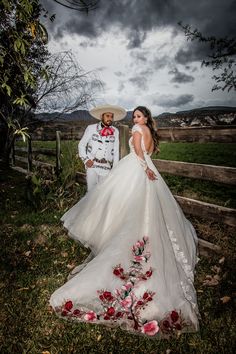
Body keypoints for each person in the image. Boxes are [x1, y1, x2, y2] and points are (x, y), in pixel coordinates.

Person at [50, 106, 199, 338]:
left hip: (137, 168)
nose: (135, 120)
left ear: (146, 118)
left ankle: (115, 236)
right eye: (134, 117)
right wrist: (149, 170)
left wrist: (143, 170)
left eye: (138, 116)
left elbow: (139, 153)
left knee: (118, 202)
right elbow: (148, 152)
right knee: (145, 207)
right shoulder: (150, 130)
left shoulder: (138, 129)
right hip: (149, 169)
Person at [79, 104, 126, 191]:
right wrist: (85, 160)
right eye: (107, 116)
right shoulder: (91, 128)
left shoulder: (115, 131)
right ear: (101, 116)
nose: (110, 119)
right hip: (92, 165)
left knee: (103, 193)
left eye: (112, 116)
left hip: (106, 167)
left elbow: (116, 152)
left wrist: (114, 169)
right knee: (91, 192)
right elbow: (81, 145)